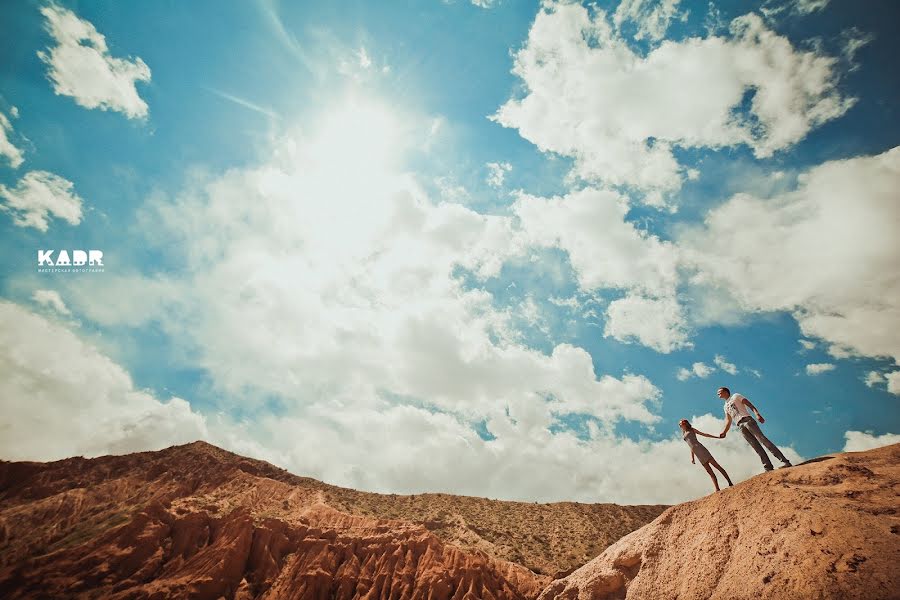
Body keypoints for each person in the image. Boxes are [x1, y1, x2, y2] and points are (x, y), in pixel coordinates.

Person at [717, 386, 792, 472]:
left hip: (747, 420)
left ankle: (785, 461)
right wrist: (724, 431)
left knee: (763, 440)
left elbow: (749, 405)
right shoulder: (725, 406)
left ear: (726, 392)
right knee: (756, 446)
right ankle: (768, 467)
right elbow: (728, 420)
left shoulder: (735, 396)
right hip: (740, 426)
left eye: (719, 392)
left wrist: (757, 414)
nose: (718, 393)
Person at [680, 419, 733, 492]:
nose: (680, 426)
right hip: (698, 455)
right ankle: (717, 489)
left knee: (717, 466)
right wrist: (693, 458)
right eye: (679, 425)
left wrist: (717, 437)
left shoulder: (692, 430)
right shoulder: (684, 434)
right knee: (710, 472)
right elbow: (691, 446)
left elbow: (705, 434)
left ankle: (730, 482)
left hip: (702, 450)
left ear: (685, 424)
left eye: (681, 424)